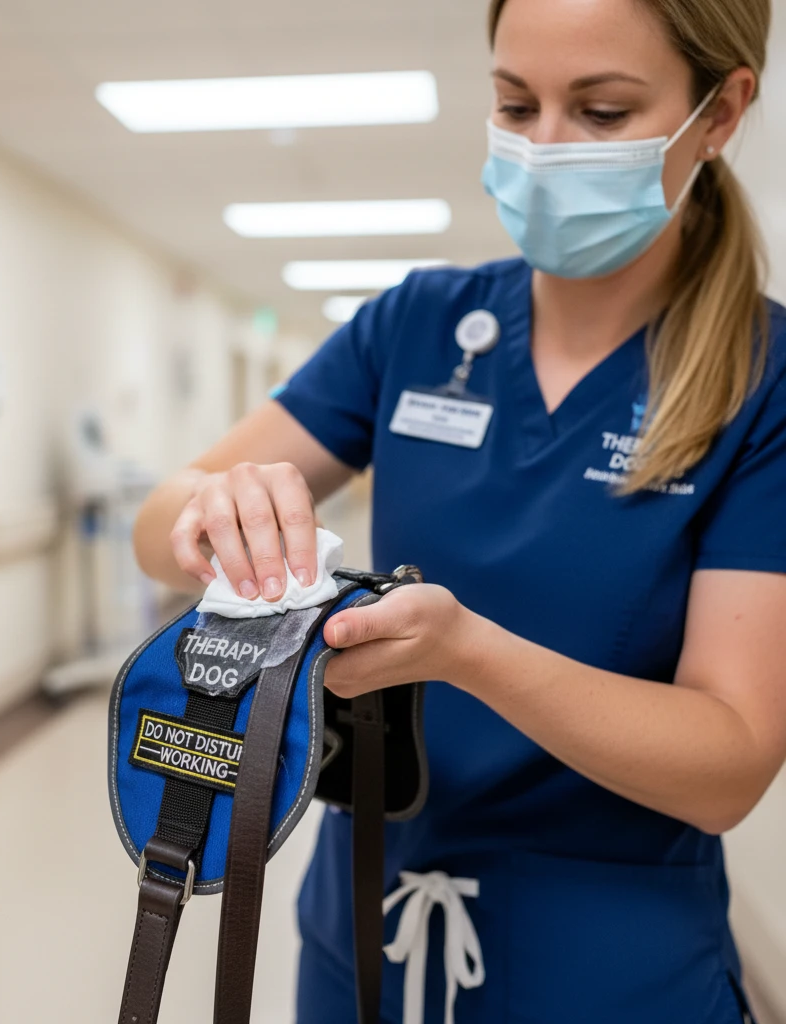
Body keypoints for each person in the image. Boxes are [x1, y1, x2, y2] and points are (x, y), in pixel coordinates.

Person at [132, 0, 786, 1019]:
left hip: (608, 960)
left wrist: (469, 651)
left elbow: (728, 762)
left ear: (720, 109)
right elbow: (158, 520)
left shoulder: (763, 380)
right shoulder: (419, 325)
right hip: (365, 921)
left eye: (602, 112)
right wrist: (217, 506)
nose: (544, 150)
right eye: (514, 104)